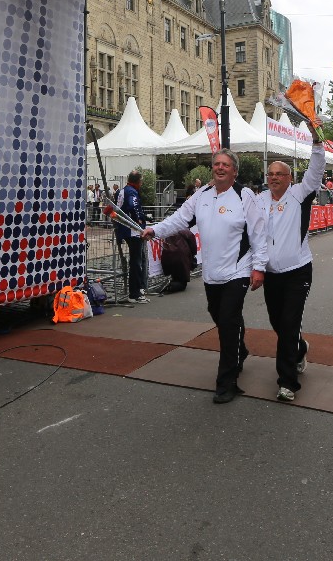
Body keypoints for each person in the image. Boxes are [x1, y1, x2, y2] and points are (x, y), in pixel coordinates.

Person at [143, 149, 267, 404]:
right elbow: (179, 219)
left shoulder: (244, 195)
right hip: (212, 272)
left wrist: (259, 267)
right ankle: (240, 350)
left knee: (228, 322)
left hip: (238, 269)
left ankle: (227, 382)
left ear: (234, 171)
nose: (220, 168)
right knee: (219, 315)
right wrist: (155, 230)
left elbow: (258, 233)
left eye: (225, 165)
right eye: (217, 164)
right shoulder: (201, 195)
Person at [259, 138, 326, 402]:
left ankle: (287, 383)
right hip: (271, 275)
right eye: (271, 174)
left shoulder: (300, 194)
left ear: (290, 178)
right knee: (278, 323)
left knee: (288, 324)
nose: (274, 178)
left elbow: (316, 171)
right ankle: (299, 348)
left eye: (280, 174)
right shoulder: (259, 200)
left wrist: (317, 143)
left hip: (298, 271)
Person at [114, 170, 149, 303]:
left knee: (137, 260)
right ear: (137, 181)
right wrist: (140, 220)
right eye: (141, 181)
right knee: (136, 262)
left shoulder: (122, 190)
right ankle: (135, 293)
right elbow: (133, 206)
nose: (142, 183)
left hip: (125, 229)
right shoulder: (132, 192)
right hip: (133, 231)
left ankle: (138, 288)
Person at [159, 228, 197, 293]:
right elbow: (193, 245)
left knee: (175, 276)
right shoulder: (185, 231)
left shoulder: (168, 230)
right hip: (181, 256)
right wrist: (193, 254)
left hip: (168, 255)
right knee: (183, 283)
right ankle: (171, 286)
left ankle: (172, 283)